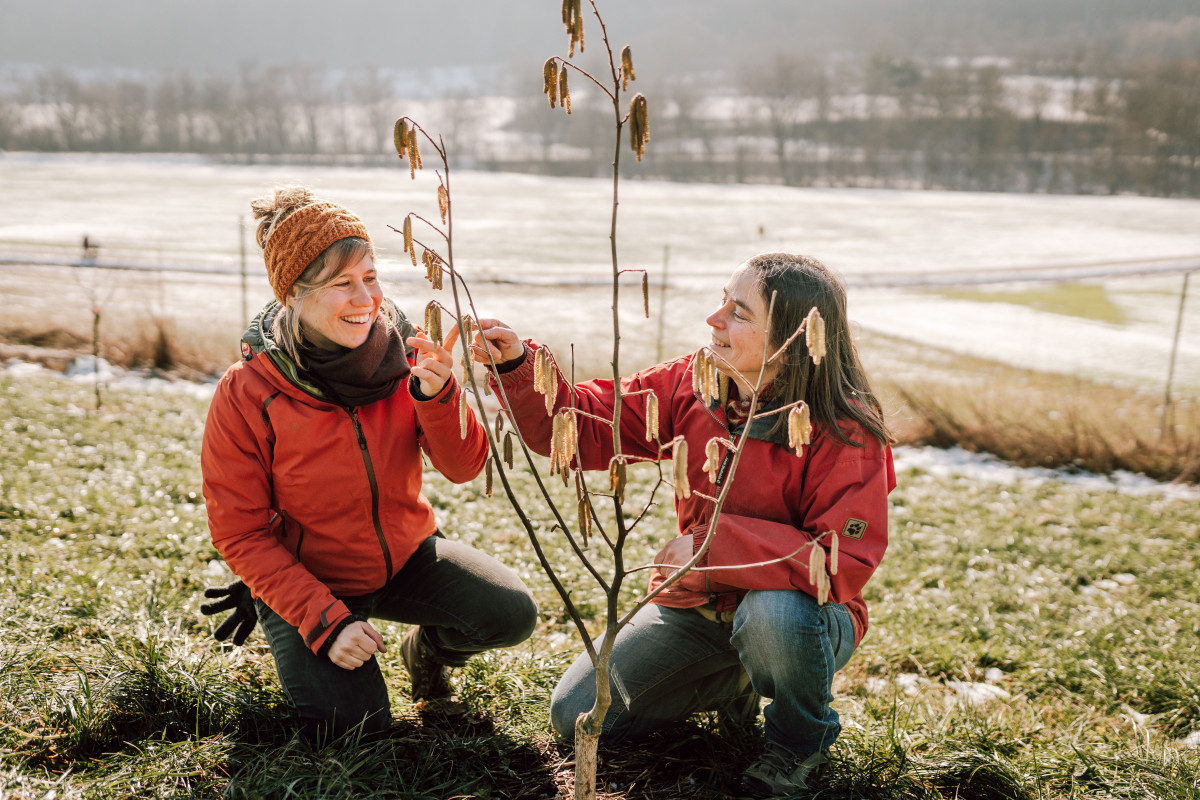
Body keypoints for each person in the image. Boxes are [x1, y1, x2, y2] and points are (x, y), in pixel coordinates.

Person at [473, 253, 895, 797]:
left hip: (803, 619)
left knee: (772, 611)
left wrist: (710, 548)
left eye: (738, 312)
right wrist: (518, 370)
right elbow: (587, 426)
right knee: (576, 714)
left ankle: (797, 744)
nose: (713, 319)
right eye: (722, 300)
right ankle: (734, 679)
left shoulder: (846, 428)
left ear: (792, 338)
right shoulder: (691, 383)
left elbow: (838, 561)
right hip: (696, 607)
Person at [200, 186, 538, 743]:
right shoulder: (247, 392)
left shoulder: (407, 354)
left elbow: (466, 467)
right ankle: (296, 625)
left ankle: (423, 651)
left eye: (371, 277)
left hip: (407, 558)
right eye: (342, 284)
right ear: (295, 295)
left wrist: (439, 396)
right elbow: (239, 533)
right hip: (311, 581)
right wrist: (324, 619)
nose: (366, 299)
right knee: (354, 731)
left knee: (511, 614)